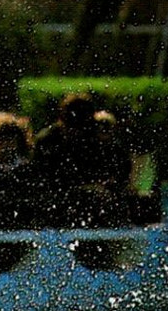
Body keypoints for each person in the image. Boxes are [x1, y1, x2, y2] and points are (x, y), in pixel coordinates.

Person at [33, 93, 132, 226]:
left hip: (96, 200)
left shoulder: (97, 139)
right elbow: (43, 179)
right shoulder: (48, 141)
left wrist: (109, 185)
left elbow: (121, 168)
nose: (77, 133)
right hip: (59, 199)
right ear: (62, 121)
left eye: (82, 127)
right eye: (72, 127)